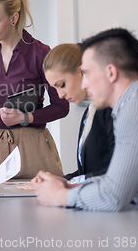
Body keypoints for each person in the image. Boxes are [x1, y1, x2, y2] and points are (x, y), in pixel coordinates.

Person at [27, 28, 138, 212]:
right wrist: (68, 185)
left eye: (86, 73)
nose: (84, 83)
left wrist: (60, 195)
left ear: (110, 72)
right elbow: (115, 178)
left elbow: (113, 195)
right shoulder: (133, 104)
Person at [0, 0, 69, 178]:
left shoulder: (41, 52)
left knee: (42, 206)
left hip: (33, 146)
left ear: (14, 18)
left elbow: (61, 106)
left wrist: (25, 117)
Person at [43, 44, 115, 184]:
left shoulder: (111, 109)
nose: (60, 95)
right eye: (55, 88)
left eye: (62, 85)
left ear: (82, 71)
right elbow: (87, 172)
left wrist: (70, 183)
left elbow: (116, 171)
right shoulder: (89, 112)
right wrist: (59, 180)